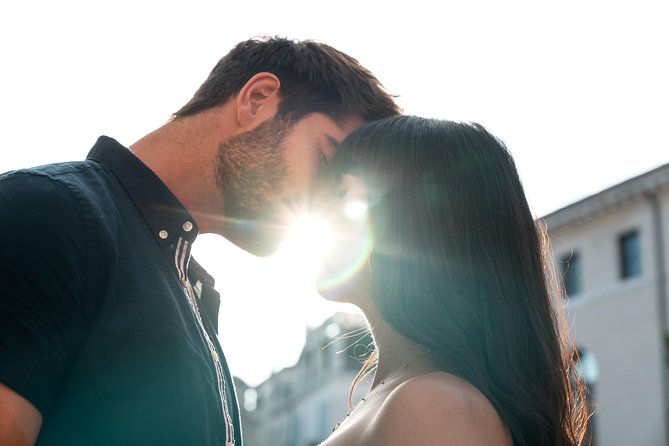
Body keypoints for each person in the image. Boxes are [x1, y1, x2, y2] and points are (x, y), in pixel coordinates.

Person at [0, 36, 400, 446]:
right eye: (327, 160)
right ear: (257, 99)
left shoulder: (191, 290)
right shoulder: (48, 212)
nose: (327, 205)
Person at [316, 116, 590, 446]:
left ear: (413, 221)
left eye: (341, 191)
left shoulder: (433, 405)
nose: (317, 207)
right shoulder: (412, 394)